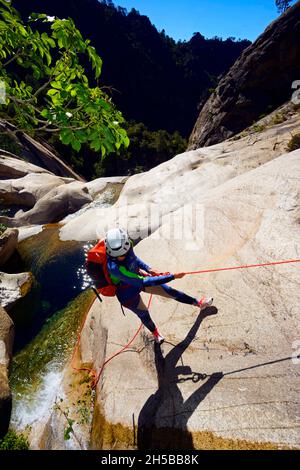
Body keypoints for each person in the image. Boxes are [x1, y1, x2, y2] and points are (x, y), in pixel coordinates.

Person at [105, 228, 213, 344]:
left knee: (170, 292)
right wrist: (172, 276)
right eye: (121, 255)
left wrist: (149, 269)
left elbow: (134, 259)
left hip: (138, 278)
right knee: (144, 313)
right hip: (127, 294)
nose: (124, 255)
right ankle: (155, 333)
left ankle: (199, 303)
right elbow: (143, 282)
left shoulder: (127, 246)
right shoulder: (114, 269)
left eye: (125, 252)